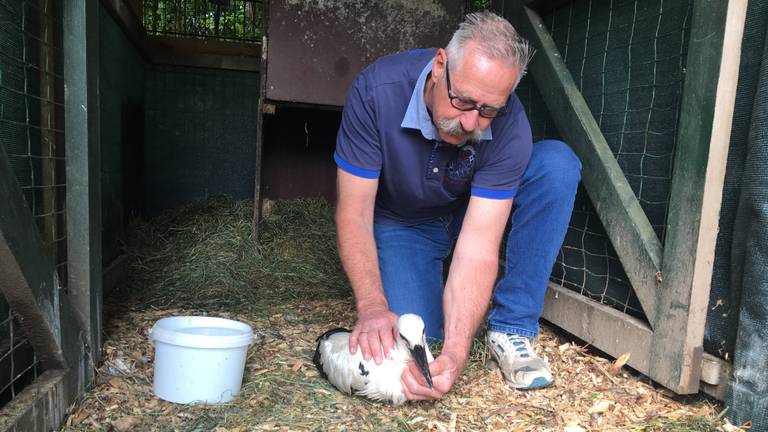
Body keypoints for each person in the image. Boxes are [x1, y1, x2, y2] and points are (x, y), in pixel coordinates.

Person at [333, 11, 581, 401]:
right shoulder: (376, 91)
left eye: (487, 111)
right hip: (405, 222)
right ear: (439, 65)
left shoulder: (509, 122)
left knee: (556, 165)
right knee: (419, 339)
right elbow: (354, 213)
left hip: (469, 212)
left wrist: (458, 351)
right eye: (462, 101)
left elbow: (479, 244)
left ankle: (512, 325)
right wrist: (372, 306)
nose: (470, 124)